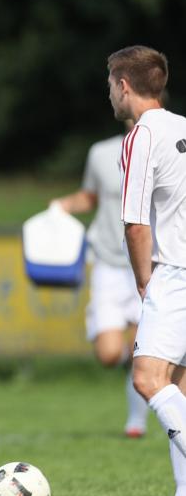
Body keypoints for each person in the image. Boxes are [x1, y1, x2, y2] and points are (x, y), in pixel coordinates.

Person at [112, 45, 186, 496]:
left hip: (175, 272)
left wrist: (144, 280)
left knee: (146, 379)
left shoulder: (141, 136)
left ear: (124, 86)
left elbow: (136, 222)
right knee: (178, 384)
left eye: (110, 86)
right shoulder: (184, 126)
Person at [50, 120, 149, 438]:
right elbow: (89, 197)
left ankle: (136, 423)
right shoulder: (102, 153)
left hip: (149, 262)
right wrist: (63, 205)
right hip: (108, 260)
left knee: (141, 350)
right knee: (109, 353)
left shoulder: (169, 149)